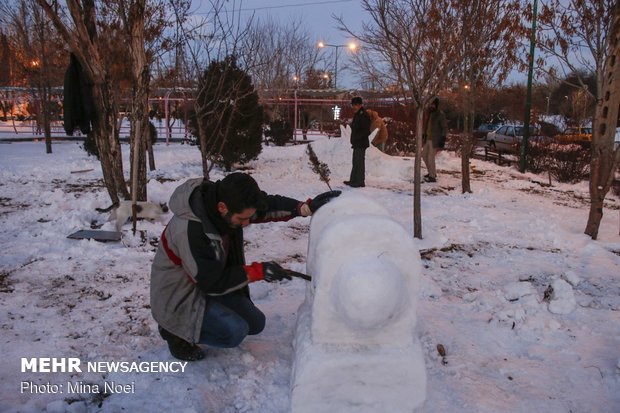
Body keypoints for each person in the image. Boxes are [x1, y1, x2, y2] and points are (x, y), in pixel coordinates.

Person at [150, 173, 341, 361]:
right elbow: (211, 282)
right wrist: (259, 271)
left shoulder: (227, 204)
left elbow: (266, 206)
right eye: (243, 219)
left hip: (208, 281)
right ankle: (174, 331)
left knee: (256, 324)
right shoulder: (191, 230)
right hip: (180, 298)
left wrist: (304, 208)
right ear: (222, 208)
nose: (247, 223)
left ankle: (208, 314)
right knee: (234, 332)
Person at [344, 96, 371, 188]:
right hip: (357, 143)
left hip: (361, 143)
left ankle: (359, 181)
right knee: (355, 161)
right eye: (353, 105)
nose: (354, 107)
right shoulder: (358, 114)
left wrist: (357, 138)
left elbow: (366, 131)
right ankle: (353, 180)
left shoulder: (364, 115)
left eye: (355, 105)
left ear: (359, 105)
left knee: (359, 162)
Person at [421, 97, 447, 183]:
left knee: (430, 157)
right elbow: (425, 126)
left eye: (433, 104)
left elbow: (444, 127)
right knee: (424, 155)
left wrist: (442, 139)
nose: (431, 106)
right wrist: (423, 135)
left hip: (435, 139)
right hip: (427, 138)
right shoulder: (428, 113)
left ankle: (432, 176)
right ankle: (431, 172)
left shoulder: (440, 114)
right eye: (431, 104)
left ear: (436, 105)